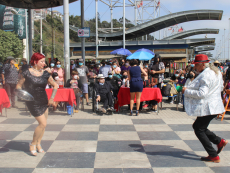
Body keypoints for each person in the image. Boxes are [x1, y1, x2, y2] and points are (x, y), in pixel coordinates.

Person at [182, 54, 228, 163]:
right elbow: (220, 87)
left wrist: (186, 91)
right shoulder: (216, 72)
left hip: (209, 107)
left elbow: (202, 93)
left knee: (199, 129)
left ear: (202, 64)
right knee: (198, 126)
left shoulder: (206, 75)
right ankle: (219, 141)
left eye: (196, 65)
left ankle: (213, 155)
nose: (195, 67)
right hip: (214, 105)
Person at [16, 52, 58, 156]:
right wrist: (24, 96)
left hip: (44, 101)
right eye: (42, 61)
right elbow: (18, 87)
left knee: (43, 126)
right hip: (32, 101)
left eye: (44, 61)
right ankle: (33, 143)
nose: (44, 63)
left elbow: (55, 85)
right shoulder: (26, 73)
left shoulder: (45, 74)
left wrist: (52, 98)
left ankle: (38, 144)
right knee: (43, 123)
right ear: (35, 61)